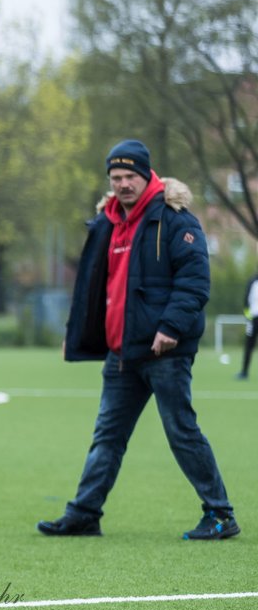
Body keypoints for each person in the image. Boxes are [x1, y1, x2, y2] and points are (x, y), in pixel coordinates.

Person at [38, 139, 239, 541]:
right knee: (107, 437)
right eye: (116, 178)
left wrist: (170, 327)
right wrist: (74, 334)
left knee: (181, 432)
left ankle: (220, 515)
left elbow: (195, 282)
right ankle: (84, 514)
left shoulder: (175, 219)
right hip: (121, 354)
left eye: (130, 176)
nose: (124, 184)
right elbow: (93, 288)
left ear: (148, 174)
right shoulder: (106, 223)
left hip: (164, 351)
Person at [238, 267, 258, 380]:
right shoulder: (252, 281)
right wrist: (248, 316)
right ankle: (244, 372)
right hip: (253, 319)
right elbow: (246, 299)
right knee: (249, 345)